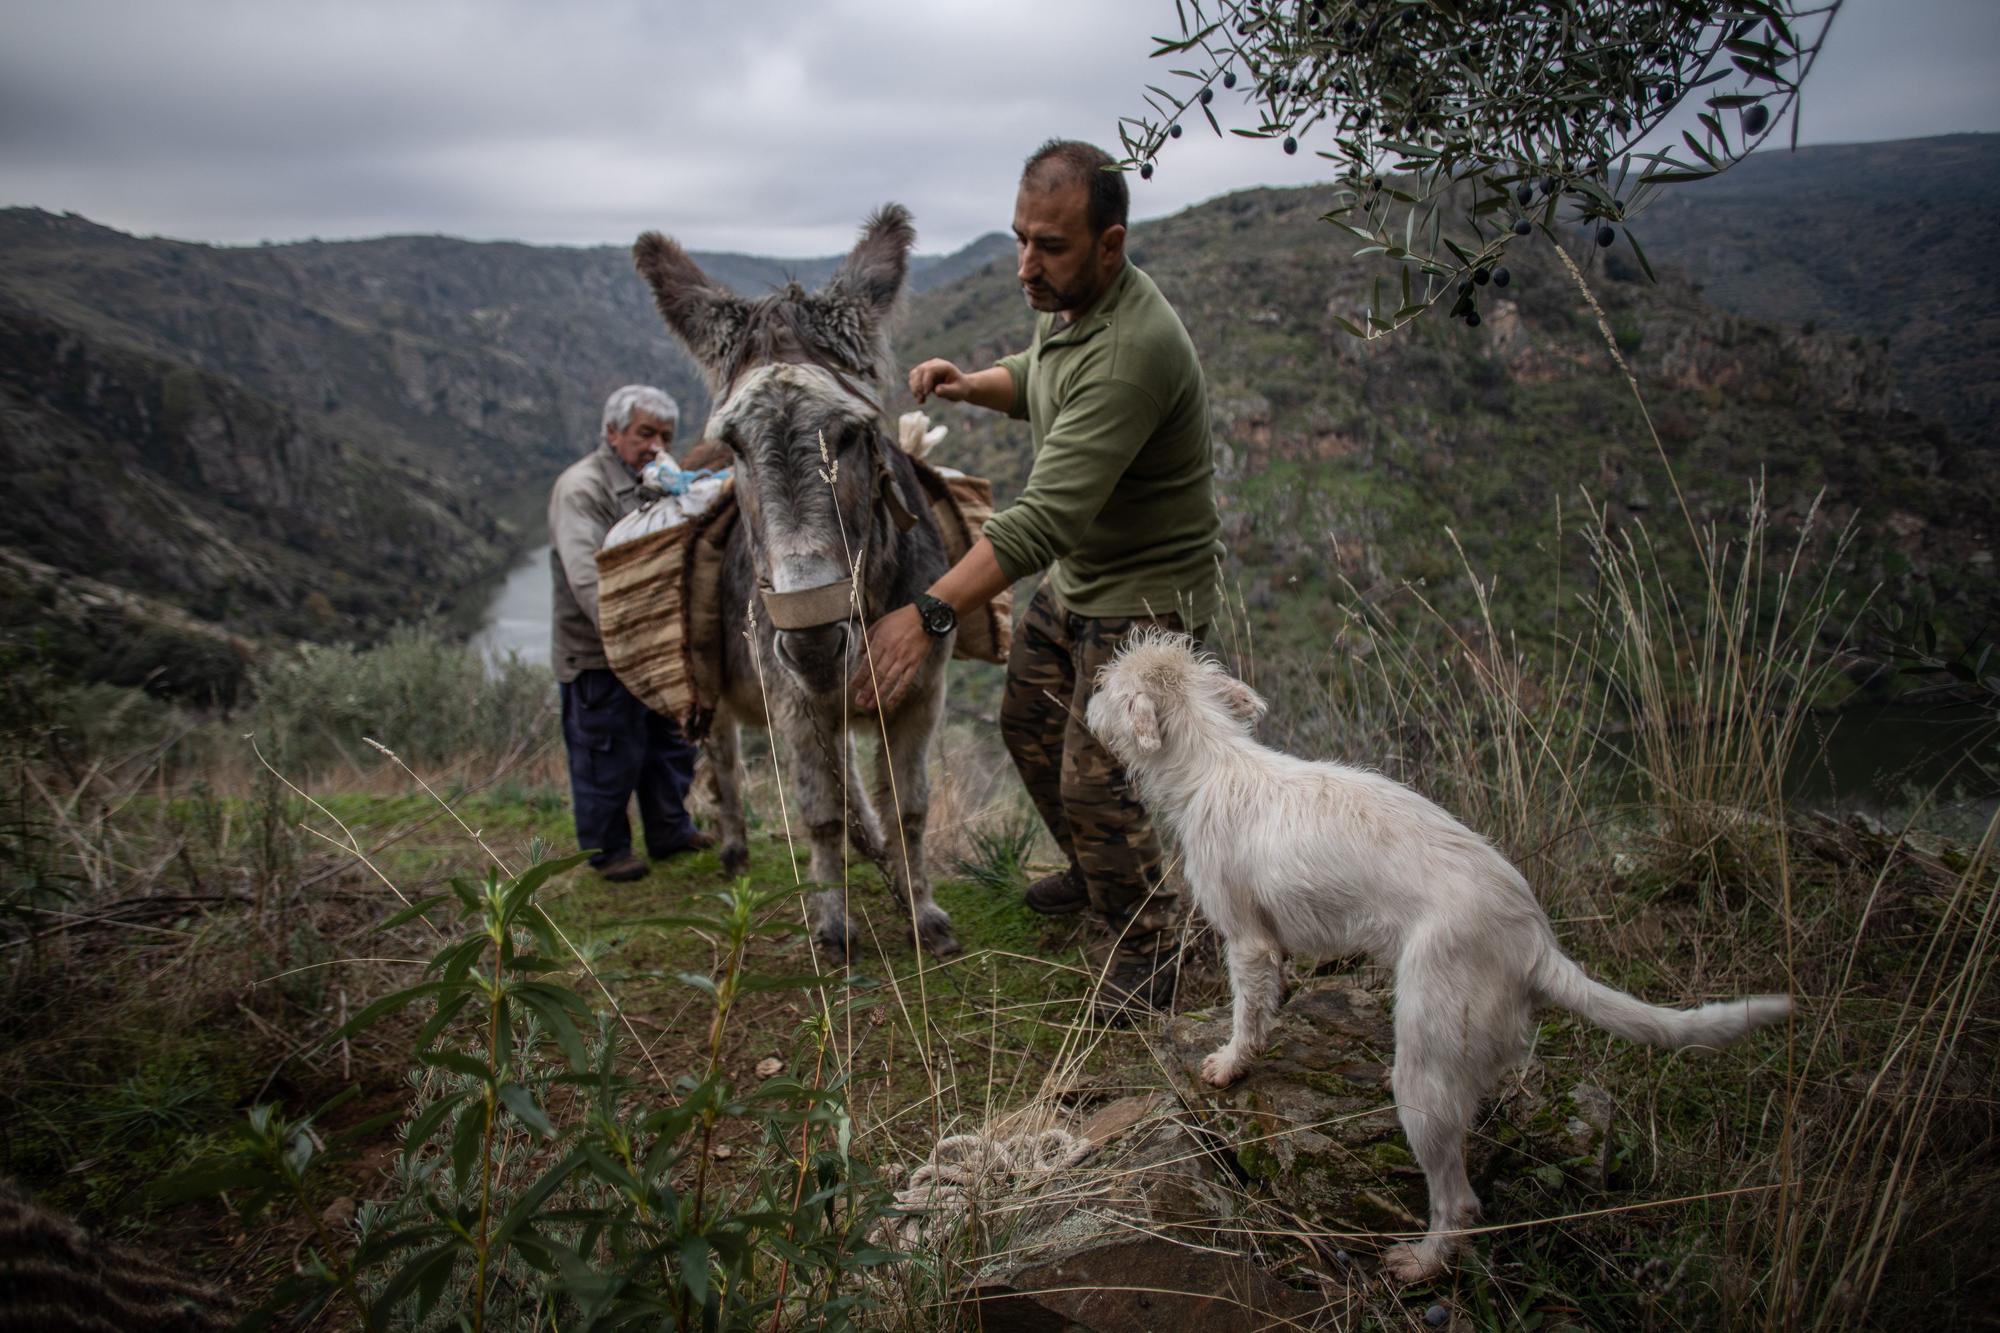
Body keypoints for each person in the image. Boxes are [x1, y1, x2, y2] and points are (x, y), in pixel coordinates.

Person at [854, 139, 1224, 1020]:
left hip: (1145, 594)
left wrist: (925, 613)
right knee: (1027, 722)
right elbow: (1041, 377)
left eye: (1049, 245)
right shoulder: (1068, 301)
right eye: (1019, 238)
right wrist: (973, 383)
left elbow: (1043, 519)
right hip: (1084, 576)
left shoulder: (1135, 346)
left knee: (1097, 778)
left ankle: (1149, 948)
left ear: (1110, 243)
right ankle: (1106, 876)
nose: (1026, 264)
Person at [550, 384, 713, 882]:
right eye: (645, 434)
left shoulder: (660, 481)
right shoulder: (582, 489)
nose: (656, 446)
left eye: (665, 436)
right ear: (613, 432)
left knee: (669, 748)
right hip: (598, 655)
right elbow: (586, 579)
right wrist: (632, 637)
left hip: (658, 650)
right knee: (607, 754)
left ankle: (669, 830)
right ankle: (608, 853)